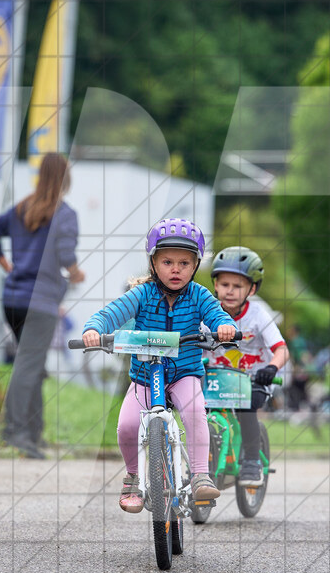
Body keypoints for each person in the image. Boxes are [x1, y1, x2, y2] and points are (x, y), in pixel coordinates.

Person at [81, 218, 236, 512]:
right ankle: (133, 479)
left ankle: (201, 474)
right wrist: (94, 329)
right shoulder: (142, 294)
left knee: (194, 411)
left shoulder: (200, 295)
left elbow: (218, 315)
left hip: (183, 373)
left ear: (195, 266)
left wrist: (225, 327)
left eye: (184, 263)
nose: (175, 269)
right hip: (144, 377)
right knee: (127, 426)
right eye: (167, 262)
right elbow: (111, 313)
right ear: (153, 263)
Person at [0, 153, 85, 459]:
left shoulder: (21, 208)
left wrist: (8, 267)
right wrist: (76, 272)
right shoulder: (64, 213)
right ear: (65, 178)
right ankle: (15, 433)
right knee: (28, 366)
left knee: (34, 366)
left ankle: (34, 434)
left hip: (13, 299)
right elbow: (66, 255)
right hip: (40, 303)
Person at [203, 246, 290, 486]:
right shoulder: (206, 312)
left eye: (238, 286)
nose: (230, 291)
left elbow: (281, 349)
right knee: (197, 409)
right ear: (215, 285)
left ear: (251, 289)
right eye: (224, 285)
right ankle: (200, 463)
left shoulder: (259, 315)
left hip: (253, 380)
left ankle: (252, 460)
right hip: (216, 379)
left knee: (245, 407)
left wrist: (271, 369)